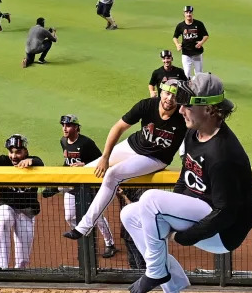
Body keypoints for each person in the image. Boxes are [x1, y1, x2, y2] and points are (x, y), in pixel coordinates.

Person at [120, 73, 252, 293]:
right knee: (129, 214)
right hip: (202, 215)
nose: (180, 109)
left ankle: (156, 271)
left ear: (210, 109)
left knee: (150, 199)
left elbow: (228, 213)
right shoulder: (193, 134)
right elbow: (185, 177)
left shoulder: (223, 153)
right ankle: (171, 284)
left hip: (223, 232)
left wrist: (185, 236)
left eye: (187, 104)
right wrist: (170, 217)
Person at [62, 79, 185, 243]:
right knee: (88, 171)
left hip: (154, 158)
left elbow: (195, 140)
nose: (170, 98)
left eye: (175, 95)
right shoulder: (146, 105)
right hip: (131, 145)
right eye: (167, 93)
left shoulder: (184, 116)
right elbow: (118, 127)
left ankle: (84, 227)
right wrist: (105, 157)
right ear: (160, 92)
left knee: (113, 174)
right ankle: (60, 192)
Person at [46, 115, 118, 258]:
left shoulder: (86, 143)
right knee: (69, 217)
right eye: (63, 125)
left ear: (76, 128)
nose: (65, 128)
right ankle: (85, 239)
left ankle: (110, 244)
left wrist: (84, 165)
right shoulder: (63, 141)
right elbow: (67, 163)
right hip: (72, 184)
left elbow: (101, 161)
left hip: (87, 186)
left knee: (96, 216)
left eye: (68, 125)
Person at [0, 134, 43, 269]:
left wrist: (31, 162)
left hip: (27, 211)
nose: (14, 156)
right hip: (7, 206)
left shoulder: (34, 161)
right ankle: (2, 267)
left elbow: (40, 162)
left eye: (18, 152)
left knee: (23, 259)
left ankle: (19, 273)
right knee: (5, 219)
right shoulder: (3, 160)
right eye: (11, 152)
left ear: (26, 151)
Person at [172, 6, 209, 78]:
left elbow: (206, 35)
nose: (188, 14)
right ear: (184, 14)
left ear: (192, 13)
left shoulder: (199, 24)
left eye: (190, 12)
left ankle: (198, 88)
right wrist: (177, 44)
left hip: (197, 53)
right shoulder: (180, 25)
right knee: (186, 74)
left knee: (199, 74)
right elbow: (175, 37)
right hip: (186, 53)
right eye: (187, 12)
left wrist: (201, 42)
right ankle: (188, 88)